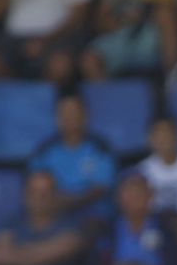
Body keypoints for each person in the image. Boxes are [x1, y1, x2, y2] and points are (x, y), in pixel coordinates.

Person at [0, 0, 92, 85]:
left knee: (60, 66)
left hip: (58, 35)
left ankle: (44, 103)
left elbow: (78, 17)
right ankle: (21, 100)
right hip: (12, 37)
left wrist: (46, 40)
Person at [27, 90, 117, 222]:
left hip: (92, 215)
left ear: (85, 116)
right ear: (57, 118)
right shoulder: (44, 151)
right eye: (64, 112)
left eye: (74, 112)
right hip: (53, 215)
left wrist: (66, 203)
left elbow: (99, 190)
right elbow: (35, 187)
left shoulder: (100, 148)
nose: (70, 117)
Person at [79, 0, 177, 80]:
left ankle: (172, 83)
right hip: (121, 34)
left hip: (155, 35)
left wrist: (160, 10)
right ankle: (112, 99)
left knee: (166, 15)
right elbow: (101, 22)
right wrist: (124, 20)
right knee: (89, 61)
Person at [105, 169, 177, 265]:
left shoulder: (166, 228)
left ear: (150, 196)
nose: (135, 197)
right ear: (119, 198)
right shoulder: (108, 230)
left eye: (140, 191)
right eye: (129, 192)